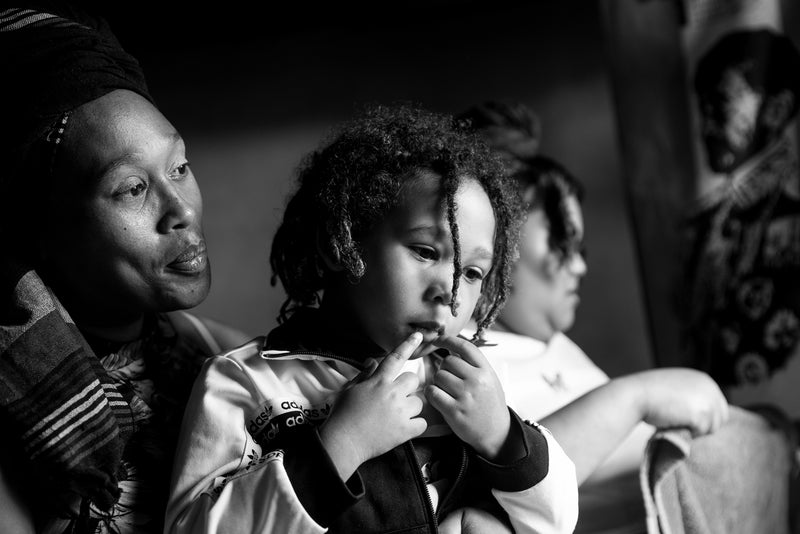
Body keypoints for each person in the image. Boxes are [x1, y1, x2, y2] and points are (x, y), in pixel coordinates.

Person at [165, 103, 579, 533]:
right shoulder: (244, 382)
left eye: (473, 273)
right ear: (341, 244)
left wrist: (504, 439)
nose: (451, 292)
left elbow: (557, 521)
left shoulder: (467, 387)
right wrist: (341, 445)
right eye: (425, 251)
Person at [0, 4, 248, 533]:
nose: (181, 210)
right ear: (37, 229)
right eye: (133, 188)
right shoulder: (17, 412)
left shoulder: (230, 361)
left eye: (179, 167)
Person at [458, 101, 731, 533]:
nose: (579, 267)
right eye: (564, 243)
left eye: (580, 250)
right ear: (497, 240)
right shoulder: (464, 357)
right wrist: (638, 396)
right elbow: (494, 482)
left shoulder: (554, 343)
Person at [683, 28, 800, 414]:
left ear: (777, 108)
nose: (706, 128)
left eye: (721, 106)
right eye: (703, 109)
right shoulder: (711, 221)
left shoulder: (790, 210)